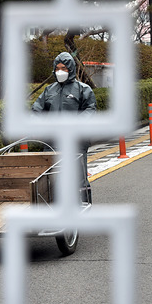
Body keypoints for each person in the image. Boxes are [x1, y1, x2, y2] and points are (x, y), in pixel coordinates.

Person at [32, 52, 96, 202]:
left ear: (71, 69)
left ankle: (84, 209)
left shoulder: (83, 89)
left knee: (79, 179)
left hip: (76, 142)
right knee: (51, 178)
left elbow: (90, 110)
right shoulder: (49, 90)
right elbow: (36, 110)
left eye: (64, 68)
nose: (60, 71)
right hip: (52, 142)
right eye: (57, 68)